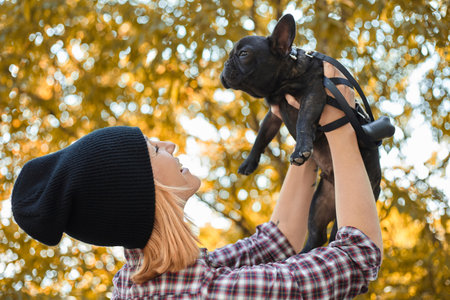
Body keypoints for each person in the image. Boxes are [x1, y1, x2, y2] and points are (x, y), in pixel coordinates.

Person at [11, 62, 382, 299]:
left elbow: (277, 240)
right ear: (147, 194)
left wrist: (306, 132)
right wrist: (337, 126)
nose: (168, 143)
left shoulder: (146, 278)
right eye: (154, 149)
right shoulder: (204, 294)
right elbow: (357, 256)